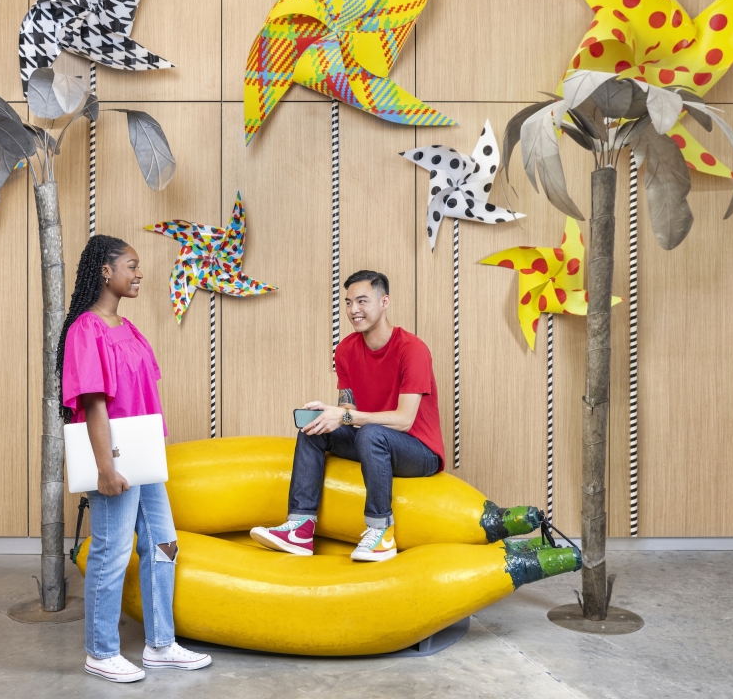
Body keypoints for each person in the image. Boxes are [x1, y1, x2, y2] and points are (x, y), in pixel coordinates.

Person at [58, 234, 212, 683]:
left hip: (145, 461)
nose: (140, 273)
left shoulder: (128, 328)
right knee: (111, 551)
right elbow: (94, 404)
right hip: (116, 461)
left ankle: (160, 644)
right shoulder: (86, 330)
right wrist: (106, 468)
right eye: (132, 265)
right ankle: (100, 652)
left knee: (164, 544)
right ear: (106, 271)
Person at [250, 270, 444, 562]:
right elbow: (349, 408)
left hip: (419, 450)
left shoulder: (412, 350)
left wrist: (345, 418)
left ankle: (381, 532)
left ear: (384, 302)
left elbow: (404, 420)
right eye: (349, 302)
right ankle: (300, 528)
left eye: (362, 301)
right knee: (314, 428)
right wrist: (332, 413)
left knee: (370, 434)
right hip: (373, 440)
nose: (354, 310)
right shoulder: (345, 350)